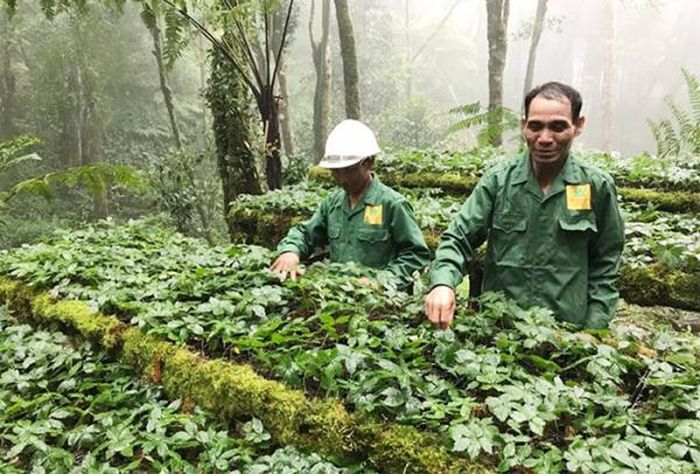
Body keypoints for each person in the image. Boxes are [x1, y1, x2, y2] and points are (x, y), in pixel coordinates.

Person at [424, 82, 625, 329]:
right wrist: (443, 284)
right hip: (498, 331)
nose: (544, 138)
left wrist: (594, 330)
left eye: (558, 127)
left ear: (578, 126)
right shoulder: (499, 182)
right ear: (523, 125)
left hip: (567, 333)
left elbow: (606, 264)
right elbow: (458, 238)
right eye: (535, 126)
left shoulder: (597, 186)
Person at [270, 119, 430, 287]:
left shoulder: (393, 205)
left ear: (369, 162)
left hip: (380, 302)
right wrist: (290, 252)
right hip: (338, 297)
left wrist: (381, 281)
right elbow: (305, 233)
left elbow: (416, 255)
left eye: (348, 169)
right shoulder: (332, 204)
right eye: (335, 171)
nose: (341, 178)